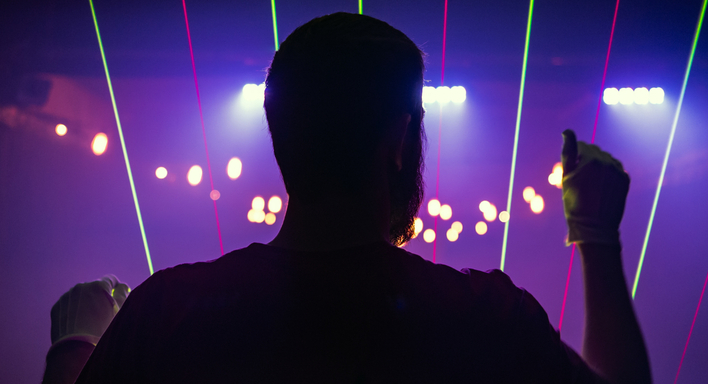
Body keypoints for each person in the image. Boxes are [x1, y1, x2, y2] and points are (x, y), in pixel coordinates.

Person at [48, 12, 651, 383]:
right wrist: (597, 234)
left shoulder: (168, 313)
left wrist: (76, 352)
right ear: (397, 139)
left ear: (279, 134)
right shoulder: (484, 317)